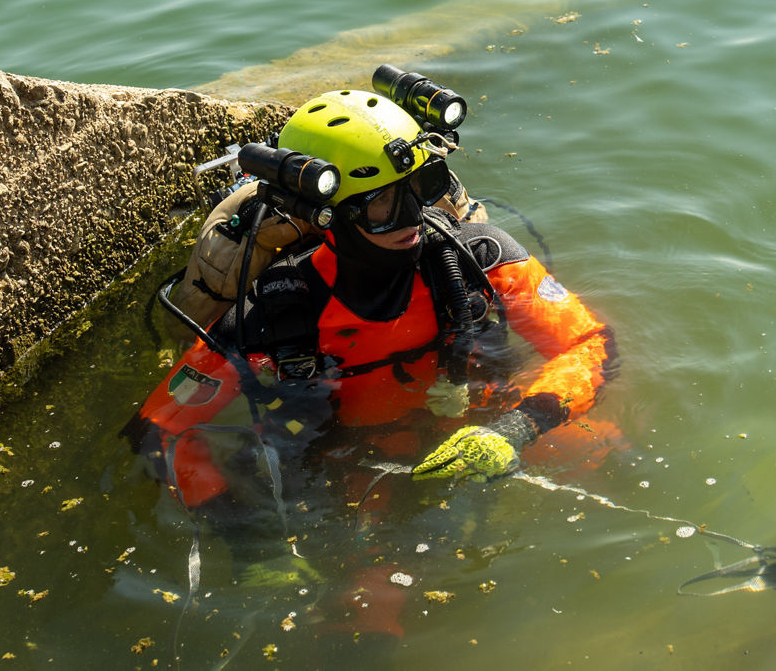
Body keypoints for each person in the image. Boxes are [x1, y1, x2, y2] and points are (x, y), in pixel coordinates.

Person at [123, 87, 616, 653]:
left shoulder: (475, 257)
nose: (414, 217)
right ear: (330, 214)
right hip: (340, 462)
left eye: (422, 189)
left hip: (477, 421)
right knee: (369, 611)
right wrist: (248, 541)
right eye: (384, 202)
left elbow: (590, 344)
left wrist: (519, 427)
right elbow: (158, 431)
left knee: (609, 453)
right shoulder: (279, 309)